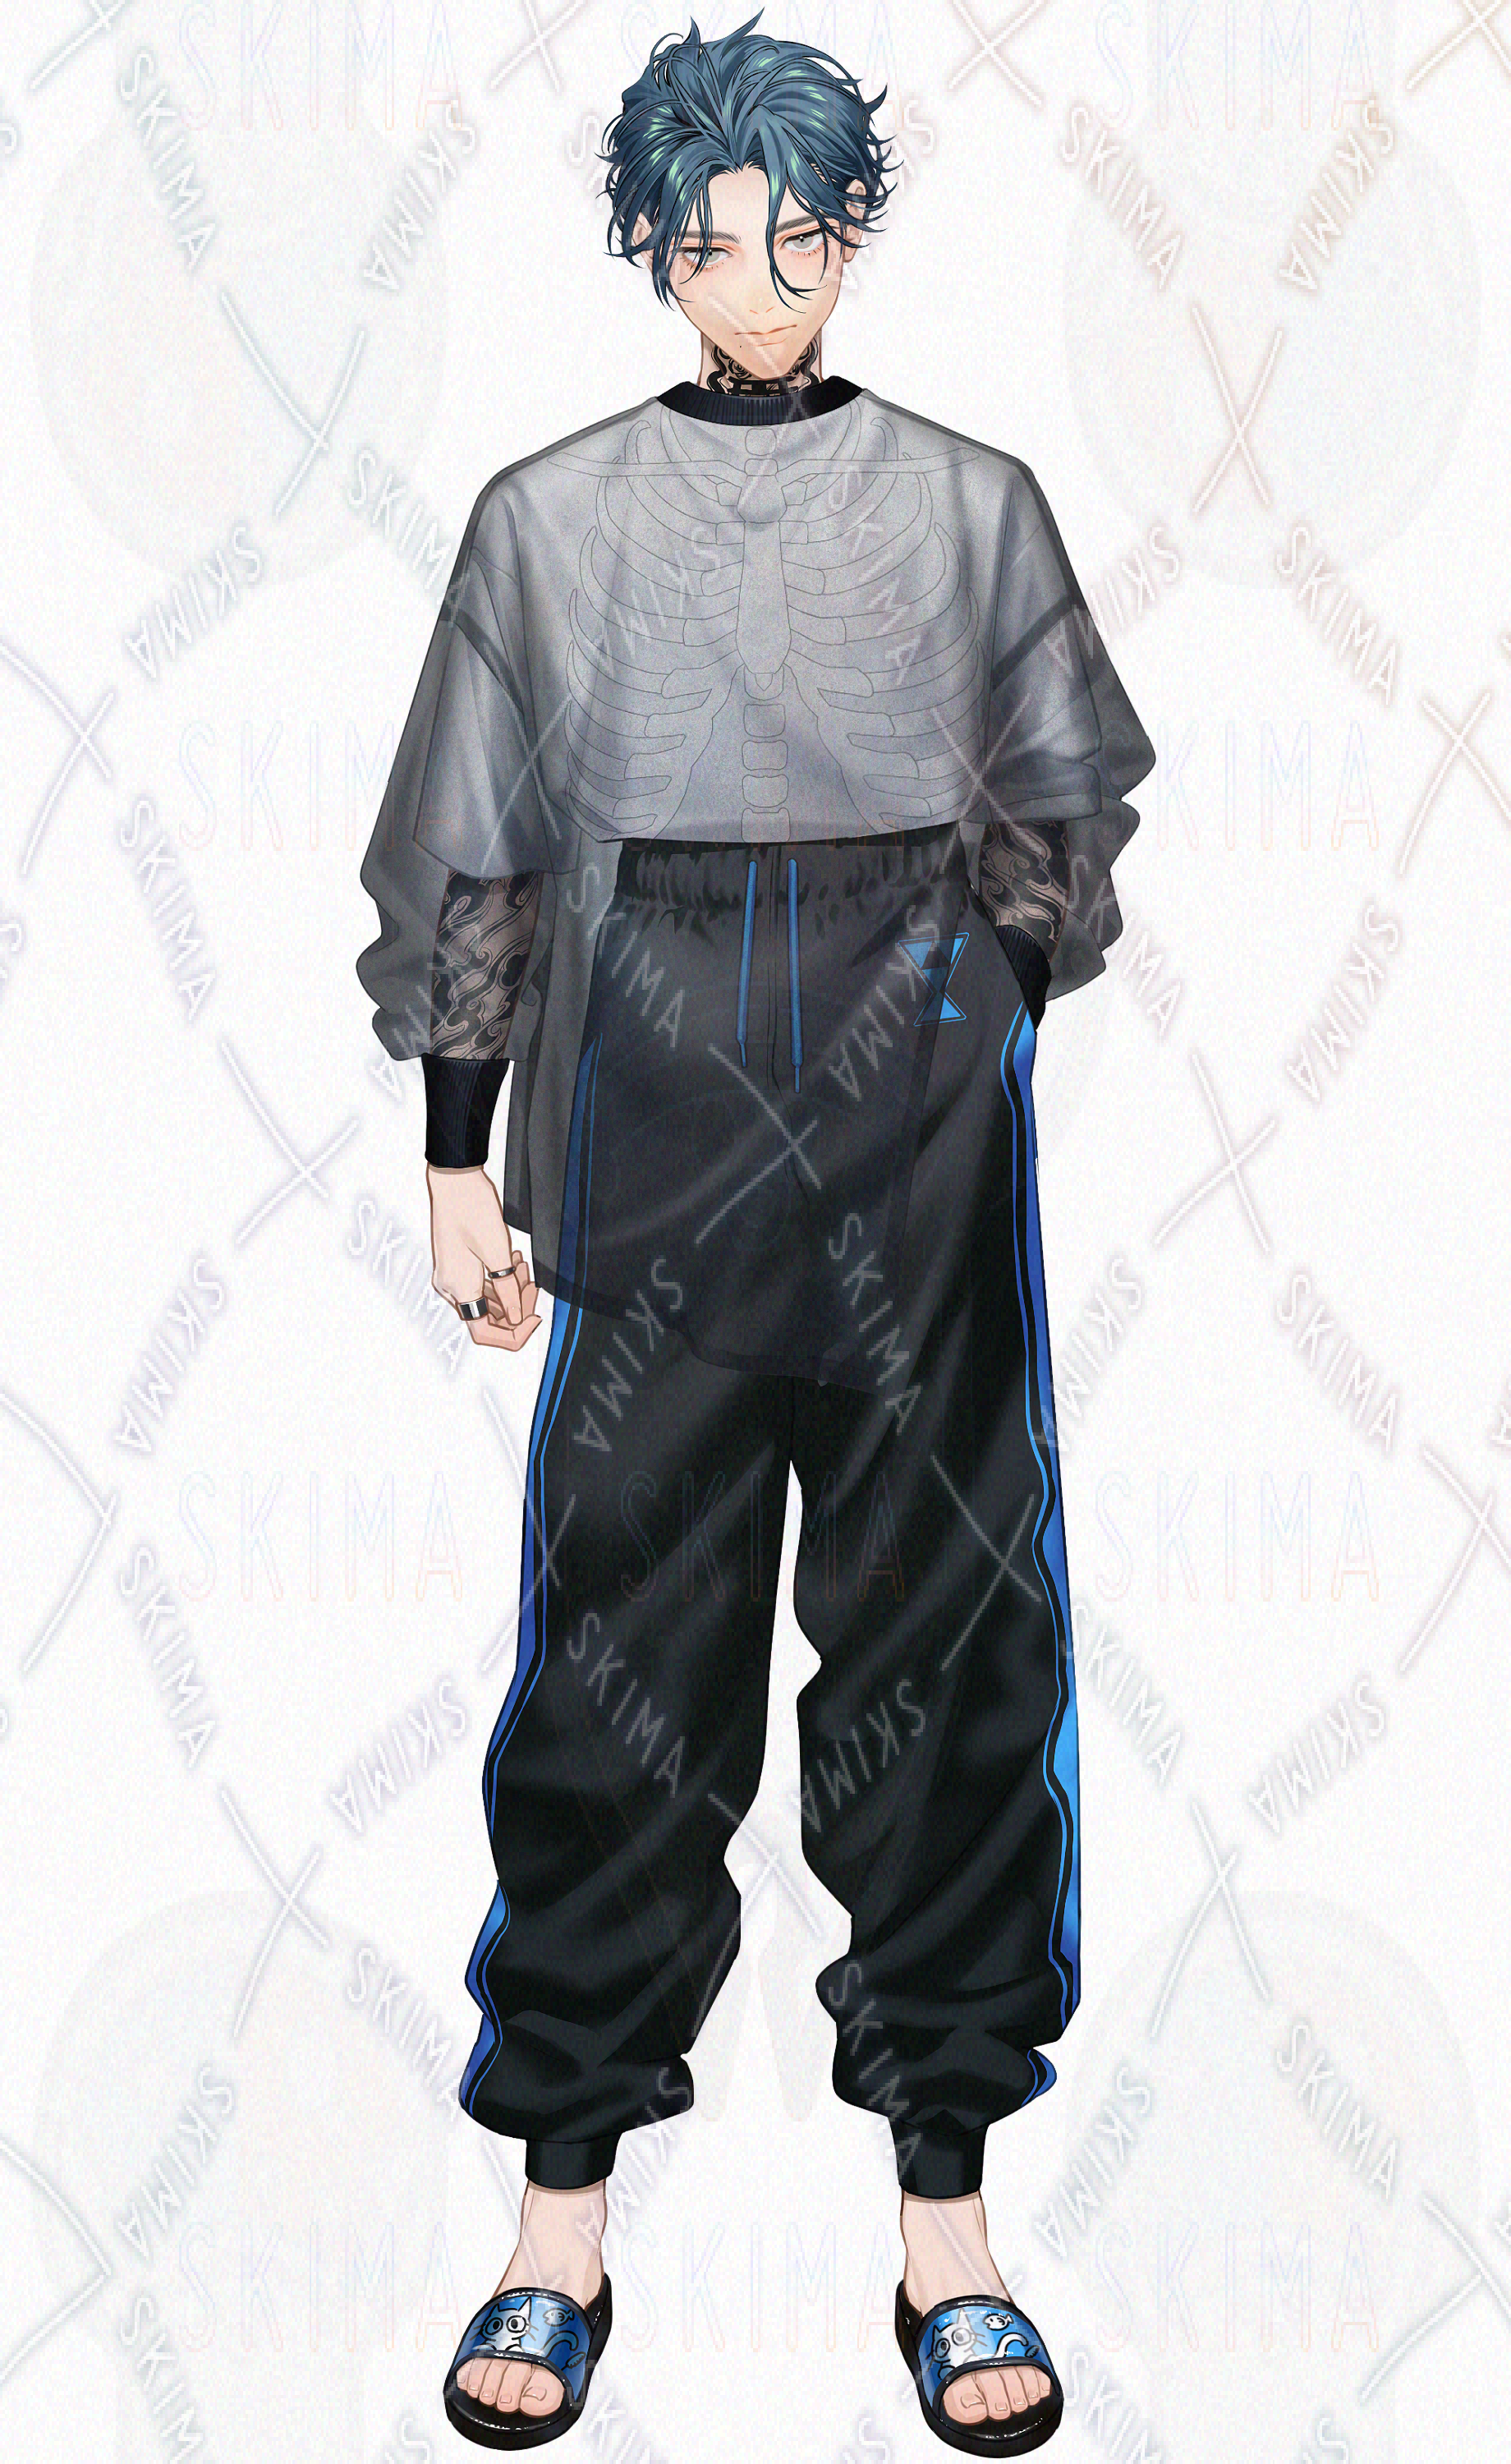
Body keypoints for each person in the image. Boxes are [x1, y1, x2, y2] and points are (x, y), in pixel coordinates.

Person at [355, 25, 1157, 2457]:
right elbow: (470, 858)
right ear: (646, 258)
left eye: (801, 238)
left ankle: (949, 2233)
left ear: (858, 242)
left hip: (917, 1189)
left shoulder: (969, 513)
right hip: (652, 1179)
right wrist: (462, 1160)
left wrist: (947, 1004)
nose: (763, 282)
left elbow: (1070, 823)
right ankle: (560, 2227)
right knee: (620, 1678)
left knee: (954, 1667)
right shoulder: (551, 528)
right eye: (714, 242)